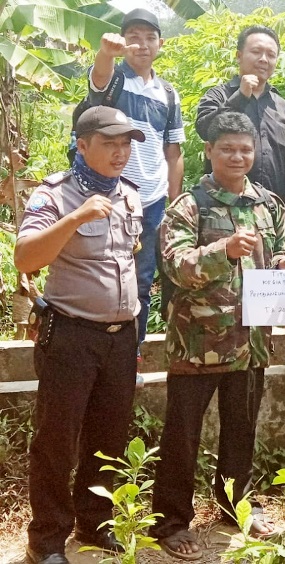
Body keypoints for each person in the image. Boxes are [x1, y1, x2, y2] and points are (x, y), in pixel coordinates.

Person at [149, 112, 285, 560]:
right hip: (198, 346)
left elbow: (276, 254)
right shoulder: (188, 206)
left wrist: (284, 265)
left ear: (255, 153)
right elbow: (175, 265)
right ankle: (171, 522)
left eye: (245, 149)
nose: (238, 156)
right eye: (227, 148)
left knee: (241, 431)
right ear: (209, 152)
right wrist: (223, 251)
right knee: (183, 435)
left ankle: (234, 507)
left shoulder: (268, 203)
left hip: (251, 342)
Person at [15, 106, 146, 564]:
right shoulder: (54, 194)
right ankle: (46, 540)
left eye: (126, 144)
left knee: (108, 436)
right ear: (82, 144)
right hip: (70, 335)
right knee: (57, 439)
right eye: (110, 143)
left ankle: (94, 522)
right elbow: (25, 259)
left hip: (119, 337)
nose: (120, 152)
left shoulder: (130, 195)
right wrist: (74, 219)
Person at [195, 25, 285, 376]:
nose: (263, 59)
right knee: (229, 279)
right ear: (239, 55)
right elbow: (205, 130)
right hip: (223, 205)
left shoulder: (282, 105)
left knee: (282, 271)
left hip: (270, 207)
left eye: (270, 54)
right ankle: (225, 349)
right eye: (255, 51)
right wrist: (240, 98)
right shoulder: (218, 94)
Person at [90, 8, 186, 382]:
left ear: (160, 43)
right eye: (134, 36)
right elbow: (98, 81)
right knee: (104, 274)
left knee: (142, 282)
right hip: (111, 197)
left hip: (153, 200)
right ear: (124, 41)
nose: (142, 44)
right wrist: (104, 53)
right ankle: (99, 353)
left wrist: (176, 203)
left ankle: (130, 356)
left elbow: (173, 153)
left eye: (150, 37)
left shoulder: (168, 92)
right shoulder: (115, 78)